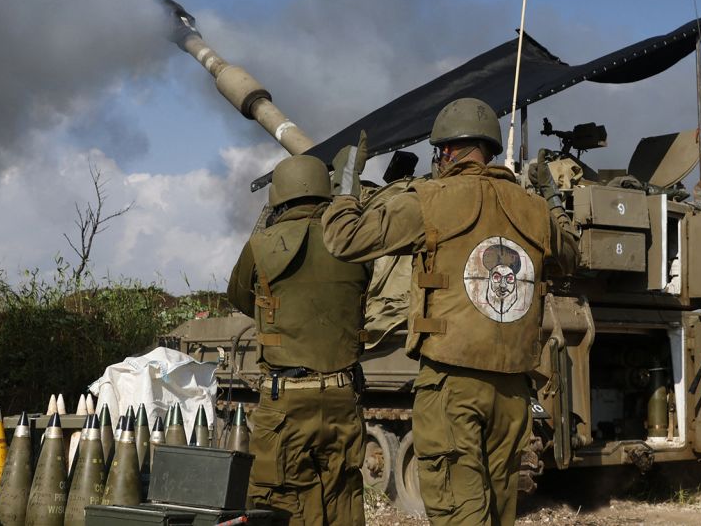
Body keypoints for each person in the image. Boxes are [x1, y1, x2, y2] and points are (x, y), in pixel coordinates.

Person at [321, 98, 577, 526]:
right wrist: (550, 197)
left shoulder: (430, 199)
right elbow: (571, 252)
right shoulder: (532, 210)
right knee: (498, 515)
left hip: (452, 383)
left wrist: (346, 184)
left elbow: (344, 239)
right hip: (514, 391)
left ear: (446, 152)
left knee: (459, 514)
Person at [227, 154, 370, 525]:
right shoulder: (352, 240)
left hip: (285, 398)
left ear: (278, 197)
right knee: (343, 498)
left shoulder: (260, 245)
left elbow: (240, 297)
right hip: (343, 394)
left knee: (280, 502)